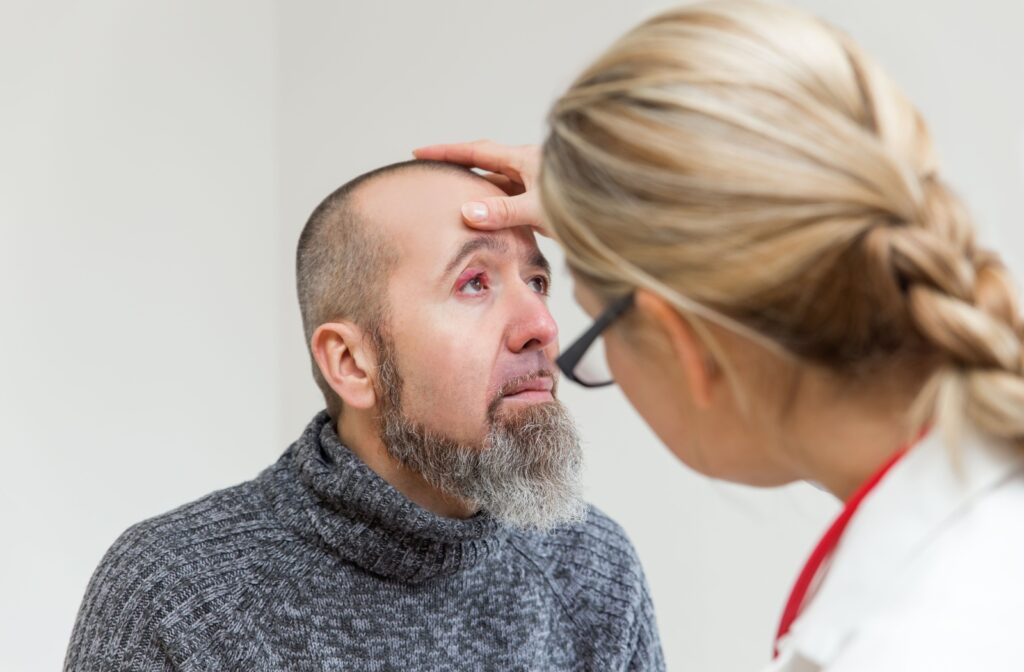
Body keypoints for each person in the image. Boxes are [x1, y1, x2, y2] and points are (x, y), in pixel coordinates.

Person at [414, 0, 1024, 669]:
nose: (541, 332)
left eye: (591, 318)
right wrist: (625, 207)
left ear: (687, 348)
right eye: (476, 284)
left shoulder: (911, 642)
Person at [64, 160, 664, 671]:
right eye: (475, 282)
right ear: (351, 361)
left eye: (537, 281)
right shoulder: (176, 592)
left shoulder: (593, 567)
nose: (543, 327)